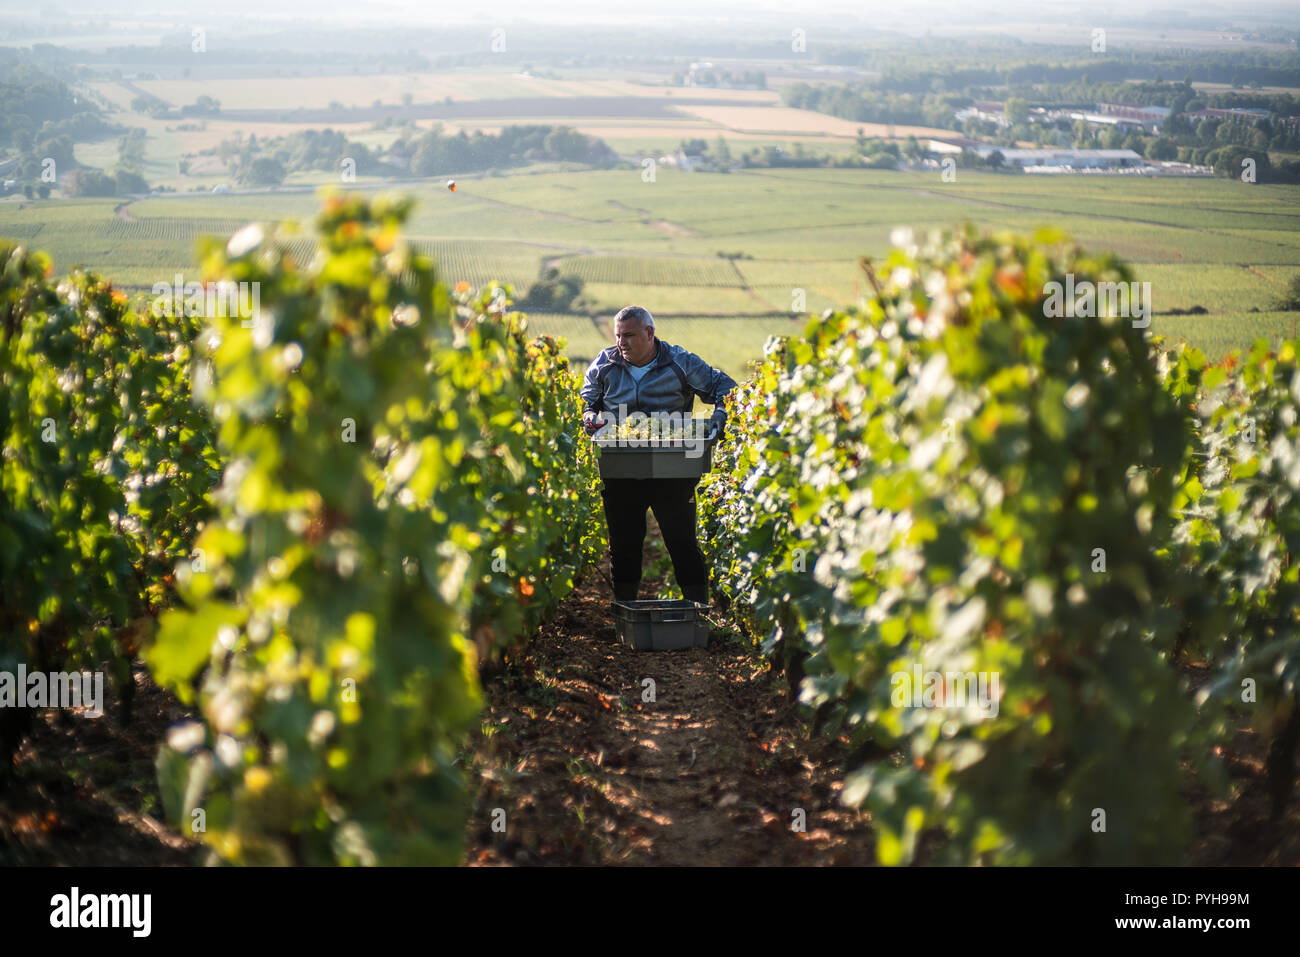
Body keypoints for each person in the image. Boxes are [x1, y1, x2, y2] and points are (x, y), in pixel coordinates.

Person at [580, 305, 737, 606]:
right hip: (621, 467)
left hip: (673, 467)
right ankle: (625, 614)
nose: (621, 342)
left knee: (682, 544)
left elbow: (724, 388)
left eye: (628, 335)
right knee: (623, 546)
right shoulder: (605, 364)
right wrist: (589, 417)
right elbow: (587, 403)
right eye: (617, 336)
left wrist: (720, 415)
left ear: (650, 333)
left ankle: (699, 612)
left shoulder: (680, 362)